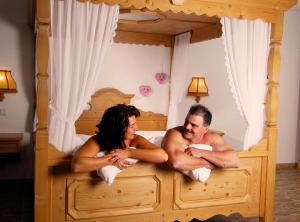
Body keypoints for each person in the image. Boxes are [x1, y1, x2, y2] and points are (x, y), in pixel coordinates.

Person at [72, 104, 168, 173]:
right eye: (132, 126)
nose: (137, 128)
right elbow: (77, 165)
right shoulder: (98, 140)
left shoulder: (135, 139)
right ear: (118, 129)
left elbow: (163, 156)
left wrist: (128, 152)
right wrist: (112, 160)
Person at [162, 104, 240, 171]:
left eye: (193, 125)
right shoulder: (174, 133)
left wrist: (201, 152)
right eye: (186, 121)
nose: (187, 127)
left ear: (205, 129)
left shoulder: (212, 136)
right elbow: (176, 162)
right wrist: (212, 163)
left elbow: (235, 160)